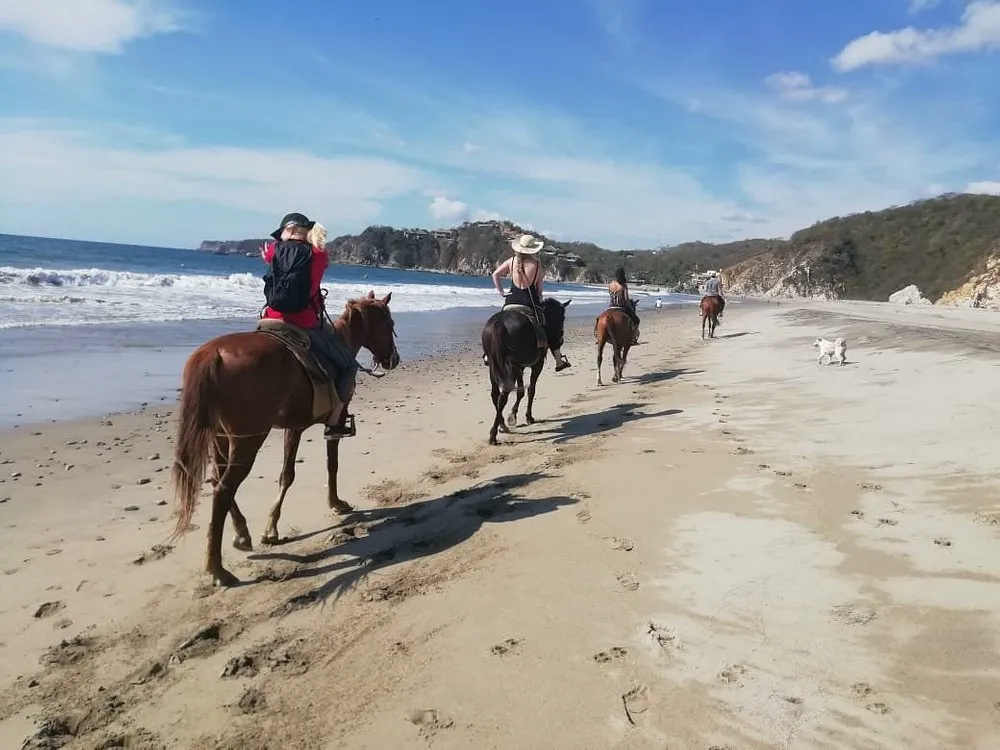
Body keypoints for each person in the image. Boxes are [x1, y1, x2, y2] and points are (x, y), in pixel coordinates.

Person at [261, 212, 358, 440]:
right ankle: (334, 421)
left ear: (286, 232)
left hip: (270, 319)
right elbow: (321, 264)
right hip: (303, 323)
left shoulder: (272, 251)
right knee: (349, 366)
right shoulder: (318, 255)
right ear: (306, 232)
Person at [491, 233, 571, 372]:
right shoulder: (537, 265)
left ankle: (488, 354)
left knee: (498, 323)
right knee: (548, 328)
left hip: (510, 302)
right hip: (529, 303)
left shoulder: (511, 261)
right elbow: (539, 291)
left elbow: (495, 274)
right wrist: (539, 299)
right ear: (533, 249)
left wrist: (502, 292)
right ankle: (558, 360)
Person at [608, 267, 641, 343]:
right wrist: (630, 308)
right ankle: (632, 338)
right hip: (621, 307)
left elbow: (610, 295)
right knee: (636, 320)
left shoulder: (610, 284)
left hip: (611, 306)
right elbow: (626, 299)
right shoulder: (623, 285)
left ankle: (597, 335)